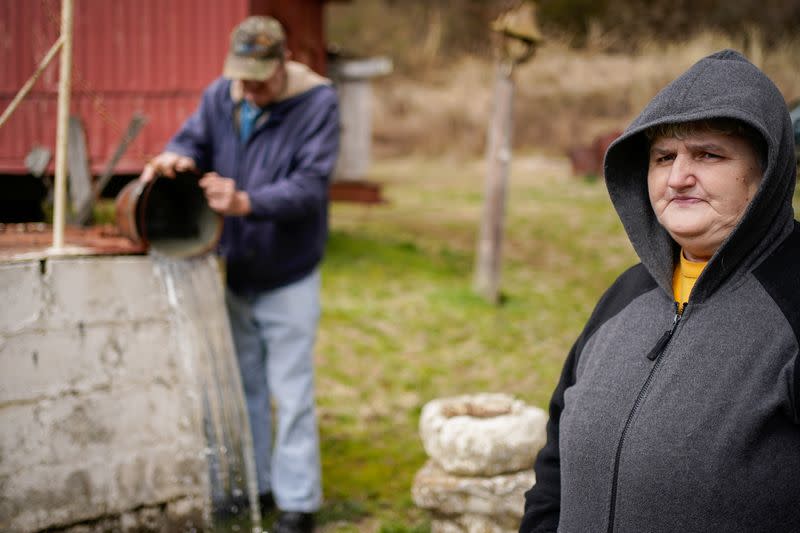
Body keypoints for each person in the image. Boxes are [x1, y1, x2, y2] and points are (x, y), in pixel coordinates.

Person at [519, 49, 800, 532]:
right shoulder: (627, 293)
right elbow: (556, 461)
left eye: (708, 155)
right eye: (663, 157)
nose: (677, 178)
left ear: (767, 171)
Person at [141, 16, 339, 533]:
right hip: (237, 267)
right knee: (244, 384)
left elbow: (311, 185)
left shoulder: (318, 104)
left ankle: (298, 503)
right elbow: (192, 142)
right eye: (241, 76)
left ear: (283, 61)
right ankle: (255, 485)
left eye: (258, 78)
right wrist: (175, 157)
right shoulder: (220, 96)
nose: (247, 87)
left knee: (291, 390)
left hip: (290, 269)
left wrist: (246, 201)